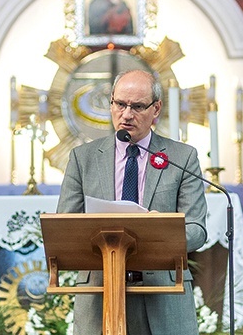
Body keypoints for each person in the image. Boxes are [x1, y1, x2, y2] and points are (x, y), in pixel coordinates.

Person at [57, 69, 208, 334]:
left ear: (156, 108)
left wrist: (157, 232)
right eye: (119, 104)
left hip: (163, 292)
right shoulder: (83, 159)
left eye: (137, 106)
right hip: (100, 292)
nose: (127, 115)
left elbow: (197, 230)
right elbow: (65, 228)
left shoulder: (181, 158)